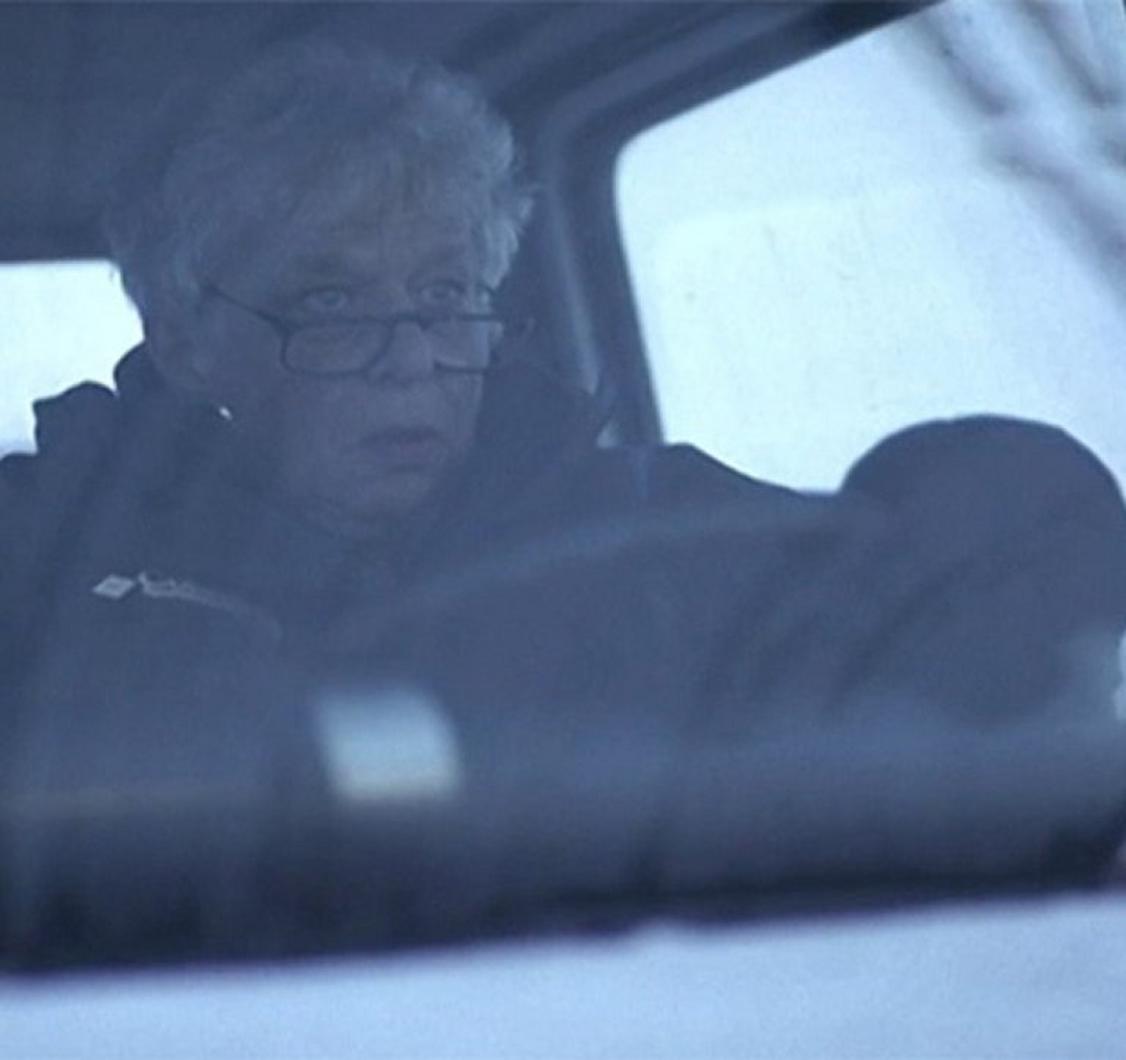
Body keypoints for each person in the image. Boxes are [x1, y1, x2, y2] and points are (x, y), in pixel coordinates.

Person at [3, 37, 1126, 962]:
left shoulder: (660, 524)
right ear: (192, 340)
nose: (415, 359)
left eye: (446, 293)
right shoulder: (37, 560)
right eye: (333, 301)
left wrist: (993, 529)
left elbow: (932, 591)